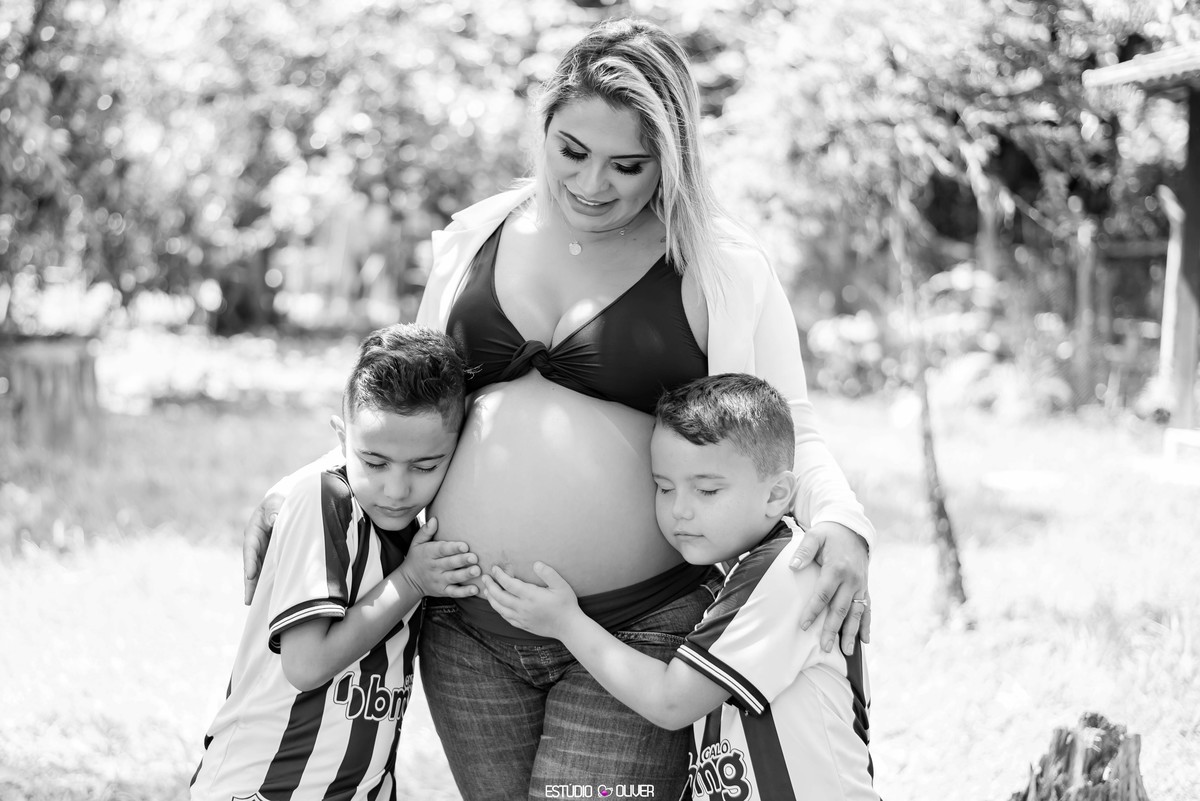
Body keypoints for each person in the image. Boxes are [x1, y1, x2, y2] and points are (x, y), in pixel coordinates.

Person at [243, 17, 875, 800]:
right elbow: (407, 401)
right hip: (469, 628)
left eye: (628, 165)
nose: (592, 183)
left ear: (671, 159)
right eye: (571, 151)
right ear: (542, 130)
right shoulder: (473, 240)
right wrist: (308, 486)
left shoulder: (720, 267)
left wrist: (843, 521)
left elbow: (788, 425)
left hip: (639, 628)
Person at [482, 373, 878, 801]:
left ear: (776, 494)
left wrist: (565, 623)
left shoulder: (787, 568)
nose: (680, 510)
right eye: (664, 487)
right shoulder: (737, 567)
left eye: (707, 490)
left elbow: (672, 702)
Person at [191, 324, 482, 801]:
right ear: (342, 439)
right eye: (375, 462)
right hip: (269, 785)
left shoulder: (413, 529)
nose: (396, 489)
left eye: (425, 466)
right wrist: (411, 581)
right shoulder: (323, 500)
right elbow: (306, 665)